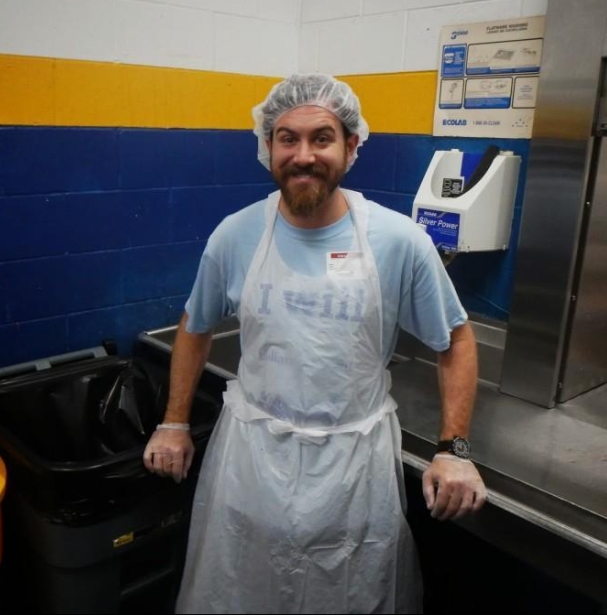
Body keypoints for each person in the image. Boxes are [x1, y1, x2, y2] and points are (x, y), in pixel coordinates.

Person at [142, 73, 487, 614]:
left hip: (353, 474)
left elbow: (456, 339)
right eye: (287, 138)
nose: (303, 155)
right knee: (241, 592)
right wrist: (174, 422)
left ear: (352, 146)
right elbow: (195, 324)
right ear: (268, 147)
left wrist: (454, 450)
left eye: (321, 138)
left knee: (350, 594)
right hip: (252, 464)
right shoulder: (235, 234)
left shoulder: (399, 241)